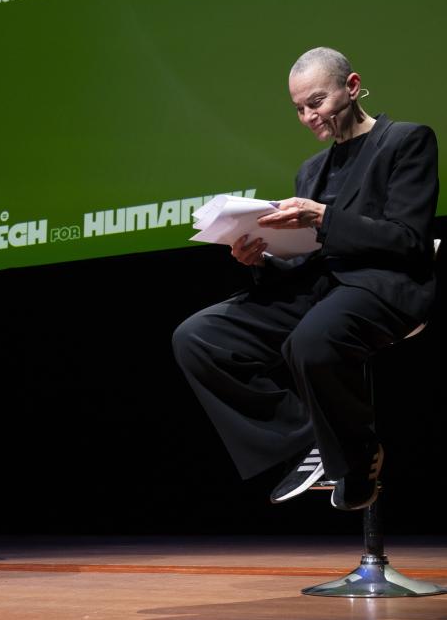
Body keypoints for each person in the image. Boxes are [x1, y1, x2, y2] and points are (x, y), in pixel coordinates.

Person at [172, 47, 439, 511]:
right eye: (299, 109)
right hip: (321, 286)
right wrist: (259, 259)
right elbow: (307, 259)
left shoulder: (406, 141)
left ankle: (354, 456)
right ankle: (307, 442)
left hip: (383, 285)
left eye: (316, 102)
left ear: (352, 87)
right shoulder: (311, 170)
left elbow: (408, 239)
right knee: (198, 337)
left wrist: (323, 216)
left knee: (310, 340)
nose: (308, 116)